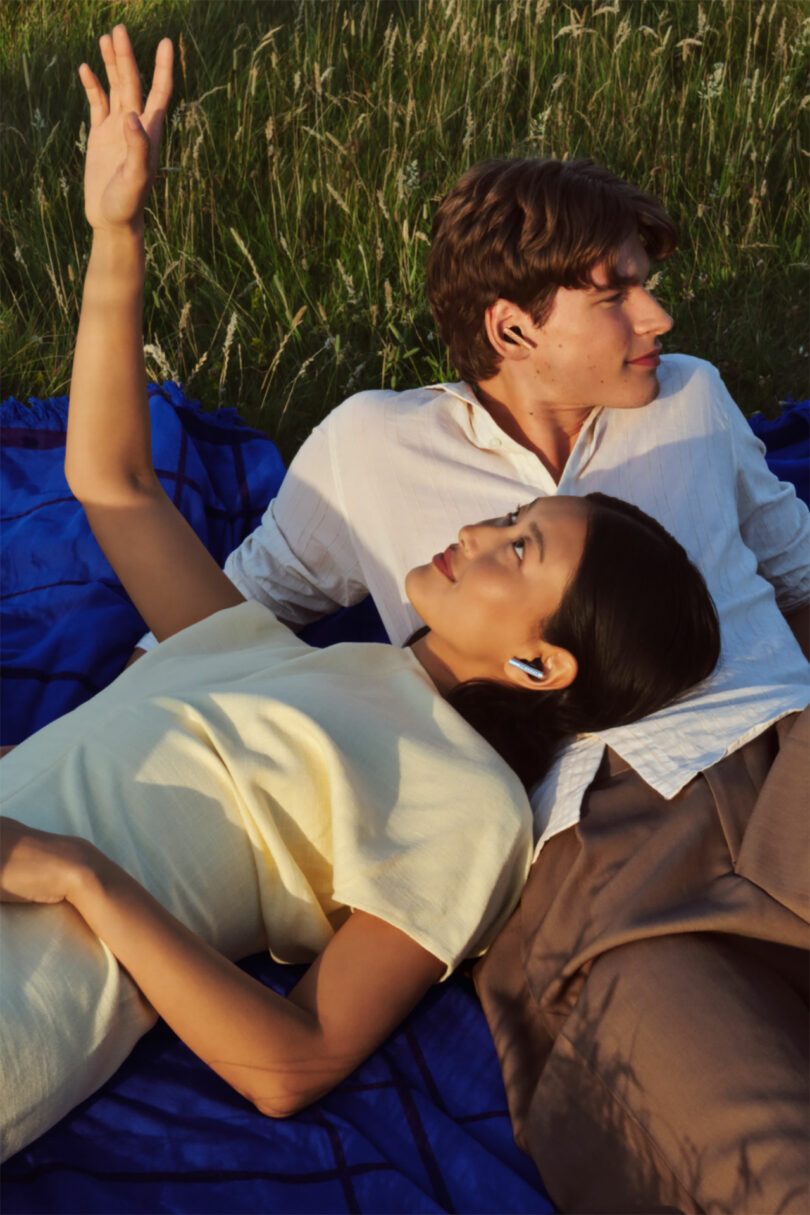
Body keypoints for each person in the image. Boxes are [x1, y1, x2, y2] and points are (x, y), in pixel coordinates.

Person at [0, 28, 722, 1165]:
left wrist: (77, 873)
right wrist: (114, 233)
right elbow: (111, 481)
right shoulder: (265, 648)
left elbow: (292, 1064)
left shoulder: (466, 804)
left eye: (520, 549)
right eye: (507, 518)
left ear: (543, 663)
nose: (479, 530)